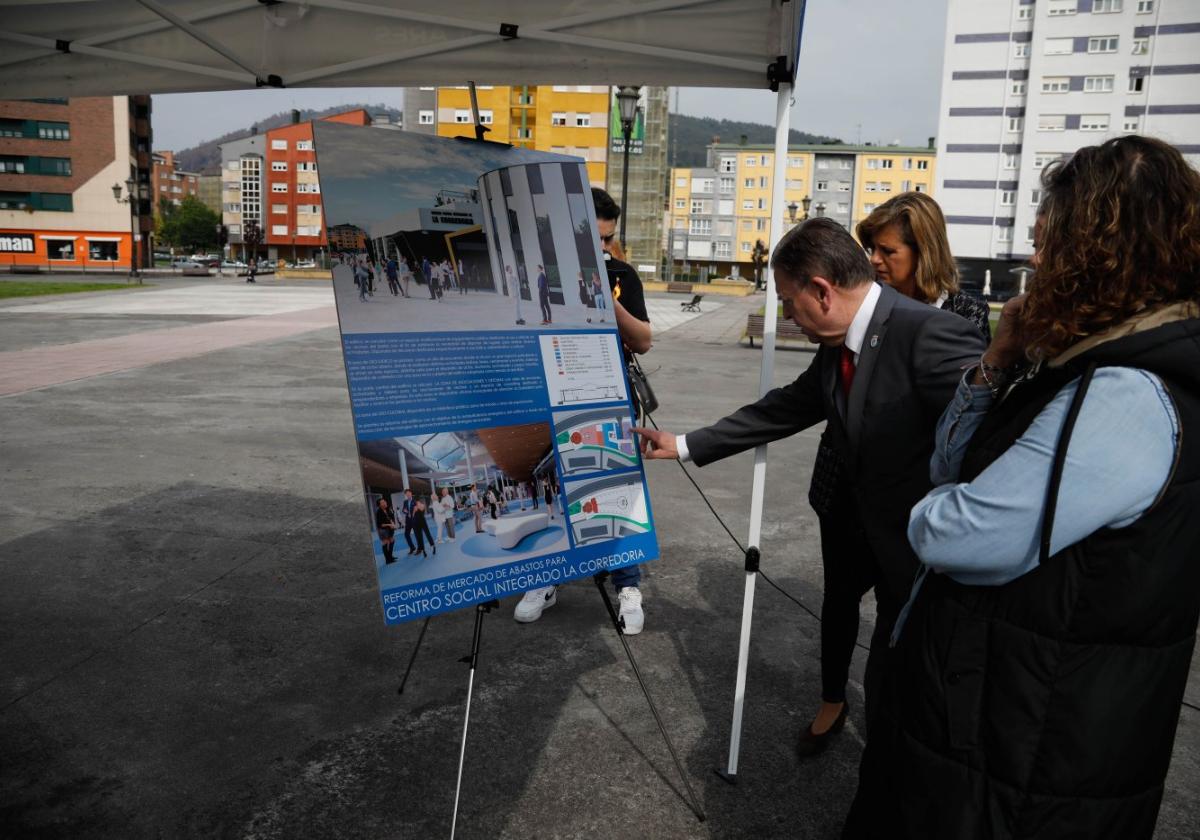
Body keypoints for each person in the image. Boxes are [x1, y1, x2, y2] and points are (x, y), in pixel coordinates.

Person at [844, 136, 1200, 839]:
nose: (1036, 260)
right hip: (999, 717)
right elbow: (952, 464)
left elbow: (958, 531)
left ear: (1106, 252)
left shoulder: (1125, 394)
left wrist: (924, 513)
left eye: (1051, 241)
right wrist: (998, 363)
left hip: (1028, 743)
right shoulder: (1082, 358)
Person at [635, 218, 986, 731]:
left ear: (821, 291)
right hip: (853, 520)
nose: (786, 314)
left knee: (905, 684)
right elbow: (791, 406)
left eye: (786, 299)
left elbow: (983, 436)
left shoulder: (929, 332)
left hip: (910, 546)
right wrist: (685, 443)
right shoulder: (843, 339)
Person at [792, 192, 993, 758]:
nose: (875, 260)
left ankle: (885, 726)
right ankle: (833, 699)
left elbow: (961, 414)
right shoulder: (857, 304)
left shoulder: (963, 314)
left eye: (887, 249)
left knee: (895, 610)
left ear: (922, 249)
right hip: (841, 486)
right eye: (869, 248)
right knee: (839, 600)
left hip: (909, 496)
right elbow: (813, 392)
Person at [514, 187, 653, 634]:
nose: (604, 249)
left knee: (616, 492)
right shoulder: (543, 275)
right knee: (555, 493)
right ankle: (545, 579)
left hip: (610, 400)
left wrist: (605, 299)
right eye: (594, 240)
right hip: (552, 397)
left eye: (608, 240)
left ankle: (627, 584)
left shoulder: (622, 275)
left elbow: (644, 340)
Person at [374, 497, 398, 565]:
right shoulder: (378, 512)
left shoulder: (387, 509)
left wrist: (392, 523)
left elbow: (390, 517)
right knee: (385, 542)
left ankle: (390, 556)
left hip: (389, 528)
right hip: (383, 530)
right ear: (379, 505)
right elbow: (381, 524)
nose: (384, 503)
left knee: (392, 540)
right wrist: (390, 524)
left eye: (384, 501)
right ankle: (388, 559)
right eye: (382, 502)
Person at [399, 488, 418, 555]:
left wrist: (412, 513)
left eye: (409, 493)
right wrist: (406, 512)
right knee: (406, 534)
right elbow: (403, 510)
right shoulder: (405, 502)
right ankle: (412, 547)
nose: (408, 495)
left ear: (411, 493)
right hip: (408, 520)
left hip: (414, 520)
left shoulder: (415, 501)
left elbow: (417, 510)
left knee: (416, 534)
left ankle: (419, 548)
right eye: (406, 494)